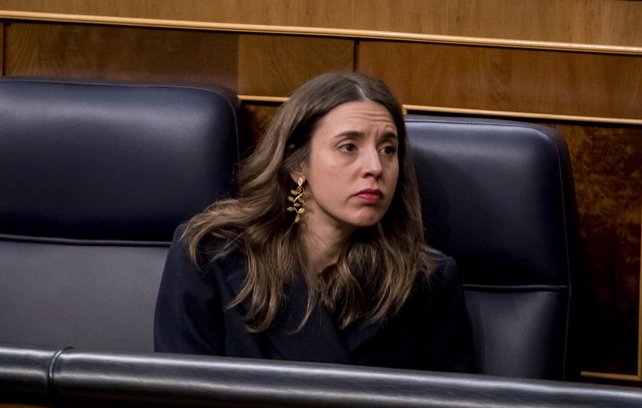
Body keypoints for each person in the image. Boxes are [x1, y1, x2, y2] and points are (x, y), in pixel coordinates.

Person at [154, 72, 474, 373]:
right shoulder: (210, 254)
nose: (375, 167)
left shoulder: (425, 282)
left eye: (388, 149)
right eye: (349, 147)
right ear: (299, 165)